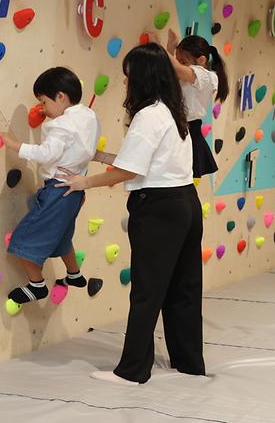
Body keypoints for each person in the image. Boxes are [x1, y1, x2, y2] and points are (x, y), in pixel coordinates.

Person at [56, 43, 205, 385]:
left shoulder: (148, 115)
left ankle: (133, 370)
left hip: (159, 209)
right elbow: (143, 162)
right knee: (183, 287)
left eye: (128, 77)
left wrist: (84, 182)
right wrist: (98, 155)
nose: (125, 84)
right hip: (185, 203)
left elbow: (131, 172)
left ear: (142, 78)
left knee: (147, 289)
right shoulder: (171, 110)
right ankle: (188, 363)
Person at [0, 67, 101, 310]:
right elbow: (84, 151)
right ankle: (74, 274)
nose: (43, 108)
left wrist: (14, 145)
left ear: (61, 96)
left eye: (44, 101)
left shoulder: (60, 125)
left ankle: (37, 285)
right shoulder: (89, 117)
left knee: (22, 240)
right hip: (75, 188)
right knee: (62, 236)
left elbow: (47, 154)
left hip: (57, 190)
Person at [165, 29, 229, 177]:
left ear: (201, 60)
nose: (180, 64)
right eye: (178, 60)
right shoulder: (185, 75)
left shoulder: (206, 76)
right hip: (176, 128)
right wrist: (170, 48)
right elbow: (170, 70)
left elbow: (176, 68)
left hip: (189, 131)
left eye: (183, 61)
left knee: (180, 181)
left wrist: (159, 47)